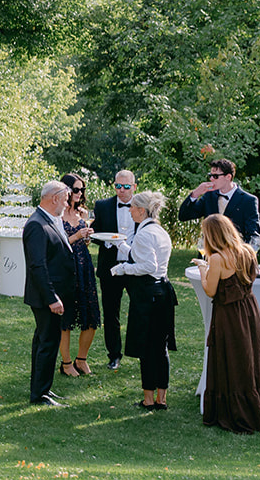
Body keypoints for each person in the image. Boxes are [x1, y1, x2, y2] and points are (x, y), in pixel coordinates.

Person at [195, 214, 260, 433]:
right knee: (251, 357)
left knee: (232, 358)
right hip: (249, 310)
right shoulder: (247, 251)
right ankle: (259, 407)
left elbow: (210, 290)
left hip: (228, 314)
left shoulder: (217, 258)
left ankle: (235, 411)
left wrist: (202, 269)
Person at [110, 190, 175, 410]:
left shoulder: (144, 234)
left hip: (149, 296)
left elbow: (148, 266)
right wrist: (121, 245)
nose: (129, 211)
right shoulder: (159, 231)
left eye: (132, 207)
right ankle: (161, 398)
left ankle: (148, 399)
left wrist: (123, 268)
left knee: (148, 348)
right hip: (163, 292)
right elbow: (142, 255)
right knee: (161, 347)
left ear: (140, 210)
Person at [23, 181, 75, 407]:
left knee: (45, 341)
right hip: (47, 297)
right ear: (54, 198)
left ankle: (42, 388)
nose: (67, 204)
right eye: (65, 199)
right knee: (48, 343)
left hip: (53, 294)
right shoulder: (37, 224)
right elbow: (38, 266)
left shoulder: (49, 220)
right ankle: (40, 394)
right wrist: (52, 298)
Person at [92, 169, 138, 370]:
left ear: (134, 187)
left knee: (141, 310)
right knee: (111, 314)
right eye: (118, 186)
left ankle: (141, 351)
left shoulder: (143, 205)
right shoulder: (103, 206)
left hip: (136, 267)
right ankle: (114, 355)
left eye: (126, 186)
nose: (122, 190)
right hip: (110, 268)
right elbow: (95, 232)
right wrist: (106, 241)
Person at [56, 173, 100, 378]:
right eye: (75, 189)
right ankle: (66, 363)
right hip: (66, 269)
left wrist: (86, 236)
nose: (79, 193)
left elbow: (84, 242)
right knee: (66, 318)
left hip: (85, 269)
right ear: (66, 190)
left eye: (82, 189)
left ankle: (81, 359)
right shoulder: (57, 215)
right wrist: (76, 236)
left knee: (91, 315)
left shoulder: (82, 213)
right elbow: (57, 244)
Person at [177, 157, 260, 251]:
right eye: (210, 175)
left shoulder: (248, 200)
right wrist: (196, 193)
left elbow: (254, 235)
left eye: (215, 176)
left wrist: (245, 255)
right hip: (209, 254)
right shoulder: (209, 196)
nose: (211, 179)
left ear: (228, 177)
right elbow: (183, 216)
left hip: (234, 255)